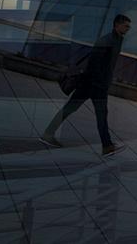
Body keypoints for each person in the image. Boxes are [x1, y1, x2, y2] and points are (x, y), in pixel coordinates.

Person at [40, 14, 131, 157]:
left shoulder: (117, 40)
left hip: (95, 84)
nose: (128, 29)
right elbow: (93, 64)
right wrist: (100, 83)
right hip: (93, 84)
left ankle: (48, 133)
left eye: (128, 26)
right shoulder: (106, 41)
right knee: (96, 114)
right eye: (126, 25)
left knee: (74, 109)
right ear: (117, 25)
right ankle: (107, 146)